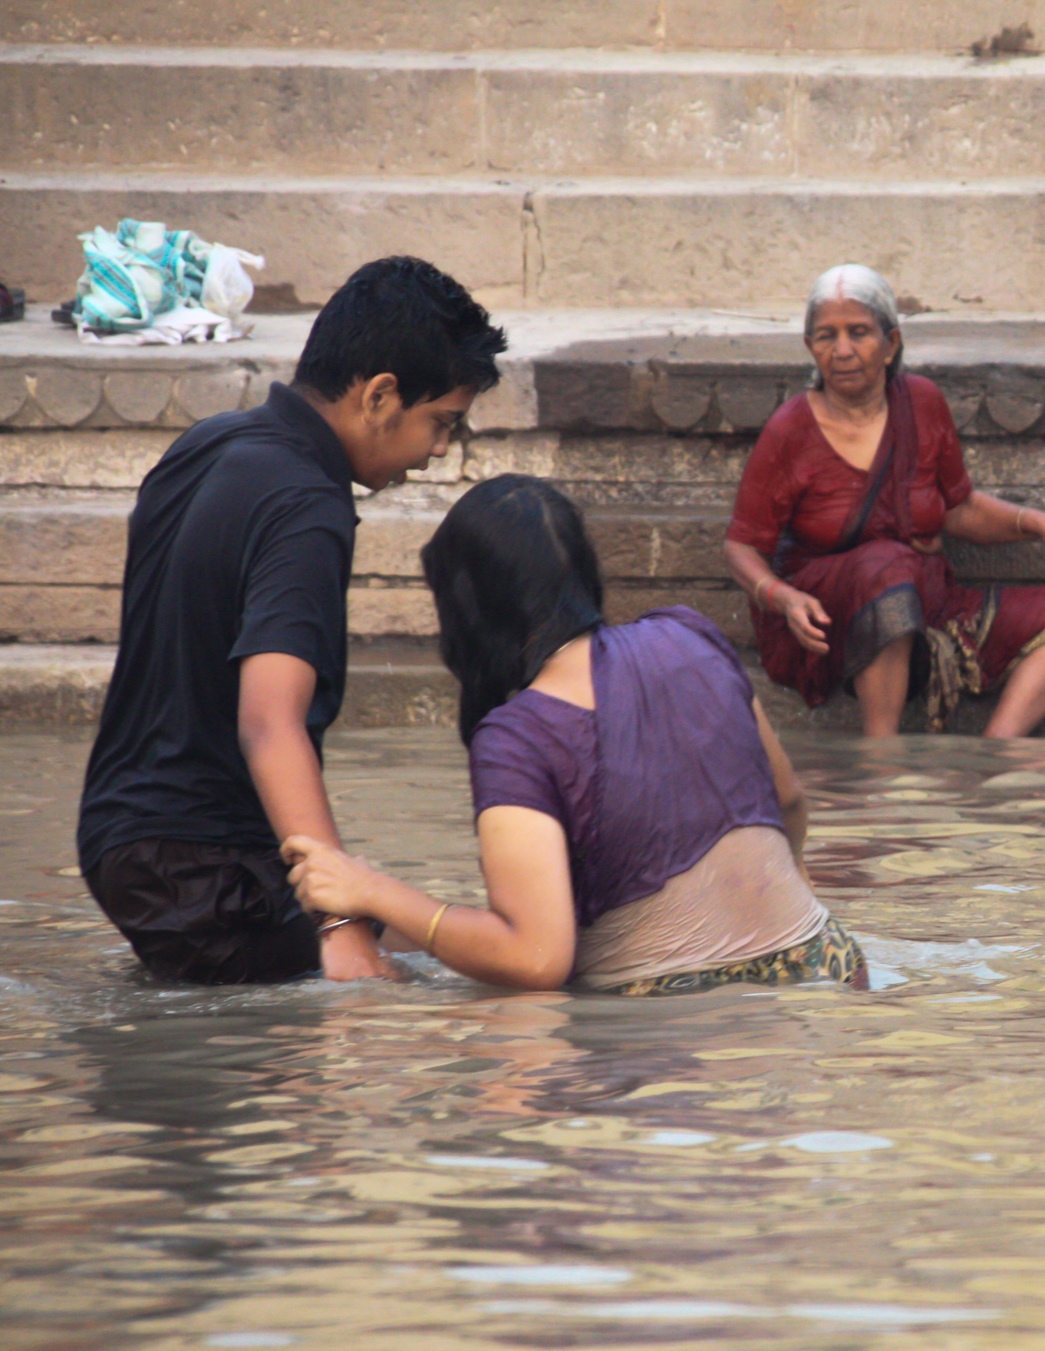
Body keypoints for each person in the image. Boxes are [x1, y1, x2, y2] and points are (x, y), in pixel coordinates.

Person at [75, 256, 505, 985]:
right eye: (442, 423)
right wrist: (337, 923)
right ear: (380, 394)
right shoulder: (309, 503)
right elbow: (268, 720)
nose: (437, 454)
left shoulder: (206, 445)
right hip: (204, 864)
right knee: (427, 999)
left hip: (123, 840)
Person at [280, 476, 867, 995]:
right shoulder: (692, 637)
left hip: (681, 1017)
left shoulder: (520, 735)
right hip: (831, 964)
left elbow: (535, 958)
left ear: (468, 611)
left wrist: (369, 889)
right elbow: (787, 801)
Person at [724, 263, 1045, 737]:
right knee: (887, 565)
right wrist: (784, 598)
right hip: (827, 619)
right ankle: (882, 754)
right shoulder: (789, 429)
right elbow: (742, 546)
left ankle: (998, 750)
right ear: (810, 348)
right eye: (827, 336)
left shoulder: (922, 402)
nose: (844, 351)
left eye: (860, 333)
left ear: (891, 343)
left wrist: (1038, 524)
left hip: (928, 598)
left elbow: (957, 508)